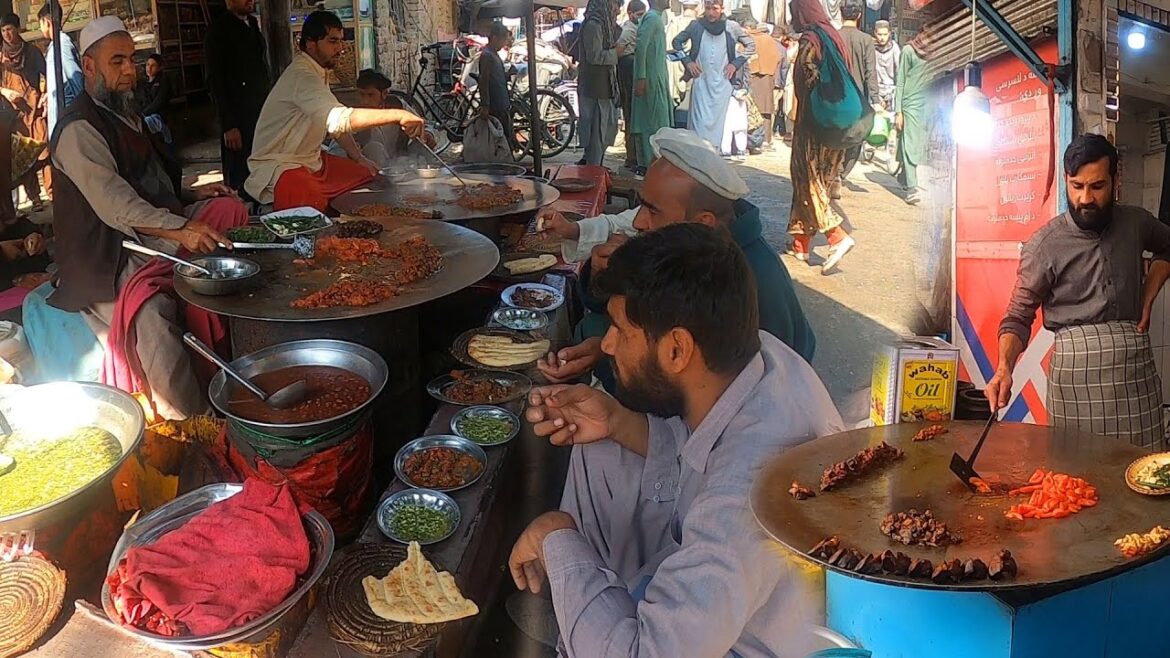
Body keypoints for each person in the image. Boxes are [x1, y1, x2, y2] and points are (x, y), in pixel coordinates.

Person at [509, 223, 843, 656]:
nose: (607, 345)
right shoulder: (755, 352)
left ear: (676, 350)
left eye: (620, 331)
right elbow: (704, 442)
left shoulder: (745, 497)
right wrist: (617, 421)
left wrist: (556, 536)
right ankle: (586, 610)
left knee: (563, 537)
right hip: (726, 604)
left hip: (747, 643)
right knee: (599, 444)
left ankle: (588, 614)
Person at [50, 17, 247, 420]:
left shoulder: (128, 115)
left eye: (132, 60)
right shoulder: (77, 130)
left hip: (149, 233)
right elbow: (116, 204)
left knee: (231, 210)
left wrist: (191, 195)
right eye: (116, 61)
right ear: (88, 67)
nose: (129, 71)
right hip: (108, 255)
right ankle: (189, 423)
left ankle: (236, 368)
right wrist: (182, 228)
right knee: (153, 313)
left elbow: (149, 183)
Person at [536, 127, 816, 391]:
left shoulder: (756, 282)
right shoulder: (681, 243)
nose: (639, 222)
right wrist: (600, 276)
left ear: (703, 222)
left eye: (652, 210)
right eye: (640, 204)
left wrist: (612, 359)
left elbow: (731, 397)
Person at [987, 135, 1170, 450]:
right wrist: (1004, 367)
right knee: (1079, 475)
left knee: (1146, 471)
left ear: (1116, 179)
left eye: (1097, 187)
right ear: (1066, 181)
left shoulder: (1136, 222)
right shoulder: (1045, 245)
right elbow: (1018, 316)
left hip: (1134, 373)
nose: (1085, 198)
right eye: (1076, 186)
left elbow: (1167, 247)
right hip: (1076, 379)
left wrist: (1148, 294)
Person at [245, 11, 425, 212]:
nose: (340, 49)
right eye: (332, 41)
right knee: (311, 202)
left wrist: (359, 158)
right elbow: (338, 119)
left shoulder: (316, 72)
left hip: (312, 162)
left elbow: (336, 129)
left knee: (370, 176)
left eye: (340, 41)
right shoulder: (302, 77)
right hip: (280, 167)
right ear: (311, 44)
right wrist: (397, 115)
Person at [786, 0, 854, 274]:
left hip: (812, 126)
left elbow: (805, 83)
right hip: (834, 126)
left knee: (807, 179)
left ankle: (836, 236)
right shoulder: (834, 37)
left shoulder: (810, 41)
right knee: (818, 182)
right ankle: (801, 243)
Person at [671, 1, 754, 156]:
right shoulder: (696, 26)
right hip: (701, 81)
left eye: (714, 9)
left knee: (717, 126)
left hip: (722, 84)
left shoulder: (731, 27)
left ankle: (712, 158)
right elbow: (676, 42)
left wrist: (735, 64)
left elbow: (751, 46)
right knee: (698, 125)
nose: (711, 13)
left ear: (722, 9)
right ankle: (696, 157)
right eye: (708, 8)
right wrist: (688, 62)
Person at [206, 0, 272, 194]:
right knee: (238, 169)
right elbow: (215, 80)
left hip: (259, 109)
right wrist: (229, 124)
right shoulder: (218, 30)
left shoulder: (252, 24)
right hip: (237, 115)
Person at [346, 69, 436, 168]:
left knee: (423, 144)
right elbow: (337, 144)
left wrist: (428, 134)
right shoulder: (353, 113)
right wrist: (351, 151)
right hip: (370, 166)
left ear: (384, 94)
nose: (365, 101)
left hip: (400, 161)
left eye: (371, 95)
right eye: (362, 95)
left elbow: (421, 123)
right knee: (374, 148)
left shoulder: (396, 104)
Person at [1, 14, 46, 209]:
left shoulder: (32, 52)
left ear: (18, 29)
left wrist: (44, 94)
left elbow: (46, 75)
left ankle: (53, 193)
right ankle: (34, 197)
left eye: (9, 29)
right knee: (21, 156)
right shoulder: (0, 56)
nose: (7, 34)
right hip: (12, 114)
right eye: (3, 31)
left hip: (35, 110)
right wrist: (4, 91)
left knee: (44, 152)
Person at [837, 0, 877, 185]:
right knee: (855, 137)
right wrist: (875, 99)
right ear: (859, 16)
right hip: (858, 98)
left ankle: (834, 171)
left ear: (840, 14)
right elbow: (871, 72)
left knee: (836, 134)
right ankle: (842, 173)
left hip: (835, 96)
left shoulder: (833, 37)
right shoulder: (866, 40)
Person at [577, 0, 621, 166]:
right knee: (595, 136)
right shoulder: (593, 25)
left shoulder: (606, 26)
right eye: (612, 4)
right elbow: (594, 56)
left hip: (603, 87)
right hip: (594, 88)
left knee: (600, 136)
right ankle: (592, 175)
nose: (615, 8)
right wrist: (615, 53)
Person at [630, 0, 672, 169]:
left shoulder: (656, 18)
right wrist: (641, 77)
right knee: (652, 123)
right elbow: (641, 47)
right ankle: (650, 165)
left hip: (657, 77)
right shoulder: (652, 18)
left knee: (657, 122)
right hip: (651, 79)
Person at [38, 1, 83, 137]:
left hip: (68, 119)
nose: (40, 28)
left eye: (40, 23)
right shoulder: (55, 45)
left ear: (47, 22)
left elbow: (76, 80)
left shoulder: (61, 45)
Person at [895, 30, 929, 205]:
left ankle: (904, 176)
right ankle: (912, 187)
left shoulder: (939, 51)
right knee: (910, 143)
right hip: (910, 104)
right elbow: (900, 80)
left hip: (928, 103)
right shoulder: (909, 51)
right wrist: (898, 111)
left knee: (914, 141)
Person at [743, 16, 780, 151]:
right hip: (767, 77)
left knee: (752, 109)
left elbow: (746, 57)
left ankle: (752, 140)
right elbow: (777, 57)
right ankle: (766, 140)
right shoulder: (769, 39)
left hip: (753, 76)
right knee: (766, 109)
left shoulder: (750, 39)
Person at [477, 23, 515, 153]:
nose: (503, 43)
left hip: (501, 101)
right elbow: (484, 81)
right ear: (494, 38)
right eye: (502, 40)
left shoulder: (493, 54)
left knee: (505, 136)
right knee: (500, 138)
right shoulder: (487, 55)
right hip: (495, 103)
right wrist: (485, 104)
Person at [138, 54, 173, 144]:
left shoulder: (164, 80)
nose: (149, 68)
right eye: (148, 65)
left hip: (159, 116)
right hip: (145, 114)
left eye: (153, 65)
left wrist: (143, 114)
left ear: (160, 68)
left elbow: (159, 102)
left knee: (147, 123)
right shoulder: (143, 83)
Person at [873, 19, 899, 111]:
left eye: (885, 34)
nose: (882, 38)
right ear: (875, 33)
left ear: (889, 33)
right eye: (880, 34)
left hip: (891, 91)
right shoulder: (871, 48)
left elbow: (899, 70)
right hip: (876, 91)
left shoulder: (894, 48)